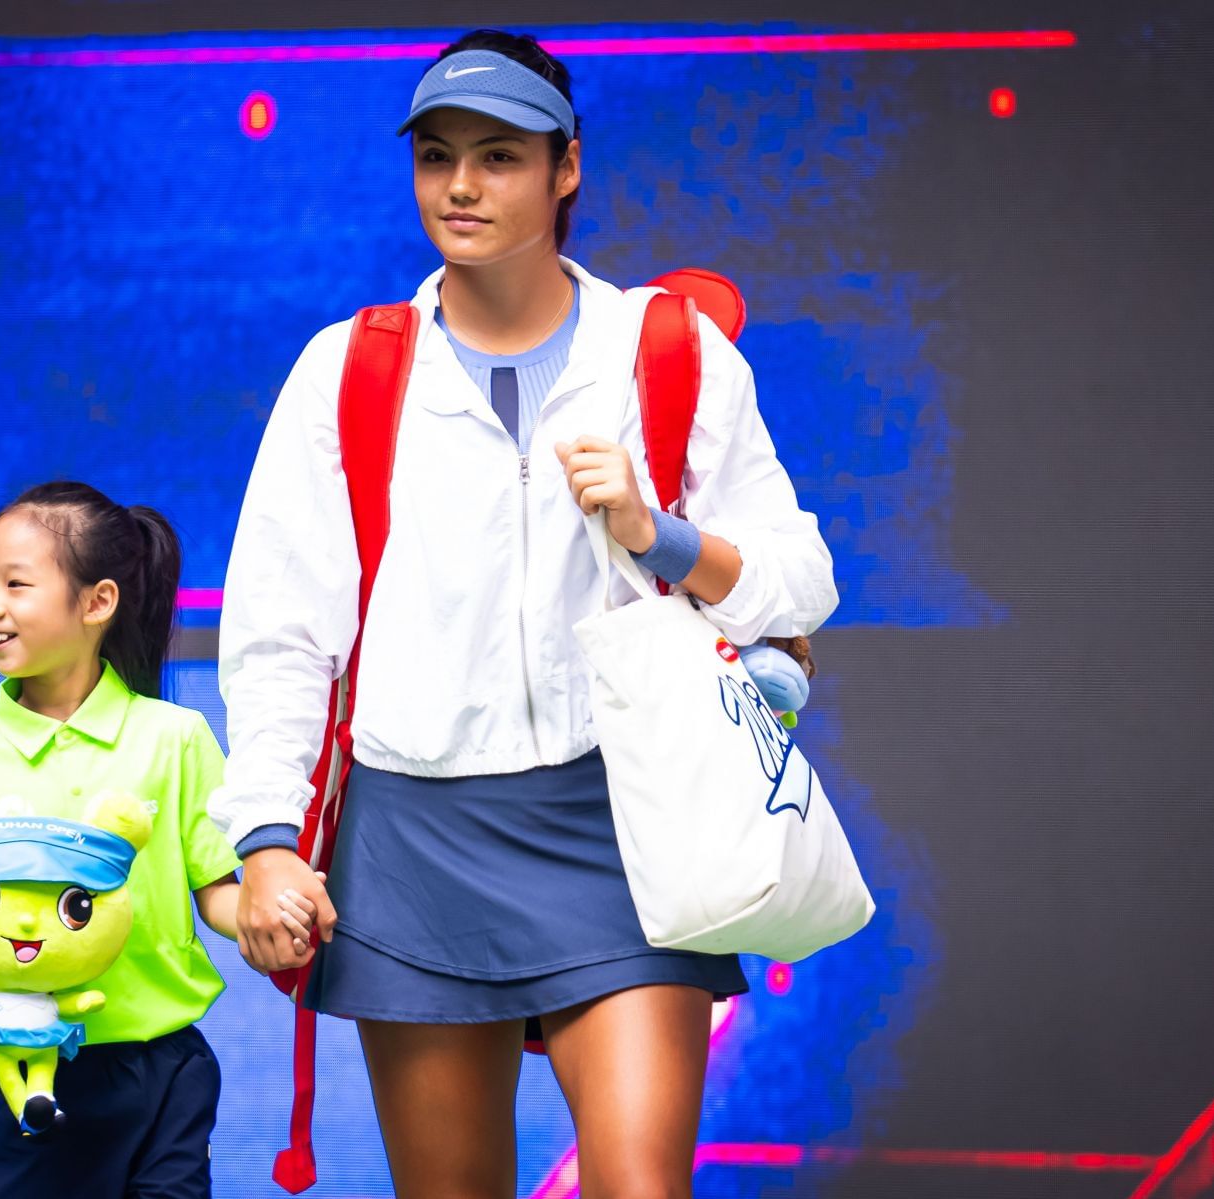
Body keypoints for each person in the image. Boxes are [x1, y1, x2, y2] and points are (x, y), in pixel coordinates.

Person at [211, 28, 840, 1199]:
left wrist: (660, 534)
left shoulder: (669, 350)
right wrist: (265, 839)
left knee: (641, 1185)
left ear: (567, 167)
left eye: (499, 155)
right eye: (436, 156)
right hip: (413, 839)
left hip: (624, 824)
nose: (460, 185)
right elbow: (280, 637)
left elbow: (802, 578)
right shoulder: (347, 370)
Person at [0, 481, 311, 1198]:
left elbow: (218, 894)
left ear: (98, 602)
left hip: (164, 1072)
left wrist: (274, 917)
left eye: (16, 584)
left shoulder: (176, 739)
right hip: (25, 1084)